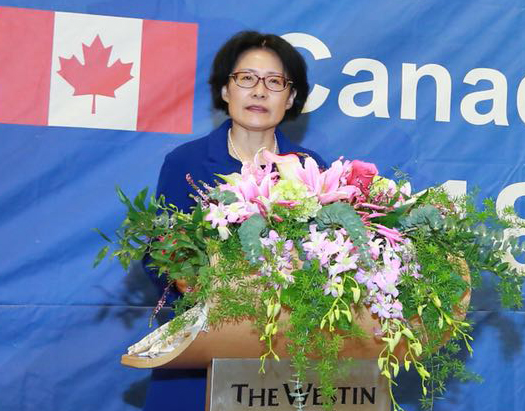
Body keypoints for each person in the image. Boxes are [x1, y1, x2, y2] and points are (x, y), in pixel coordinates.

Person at [142, 30, 327, 411]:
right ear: (225, 90)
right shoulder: (186, 163)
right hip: (201, 353)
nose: (259, 92)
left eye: (274, 82)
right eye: (246, 78)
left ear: (291, 97)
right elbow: (157, 251)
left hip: (285, 355)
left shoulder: (311, 168)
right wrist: (187, 275)